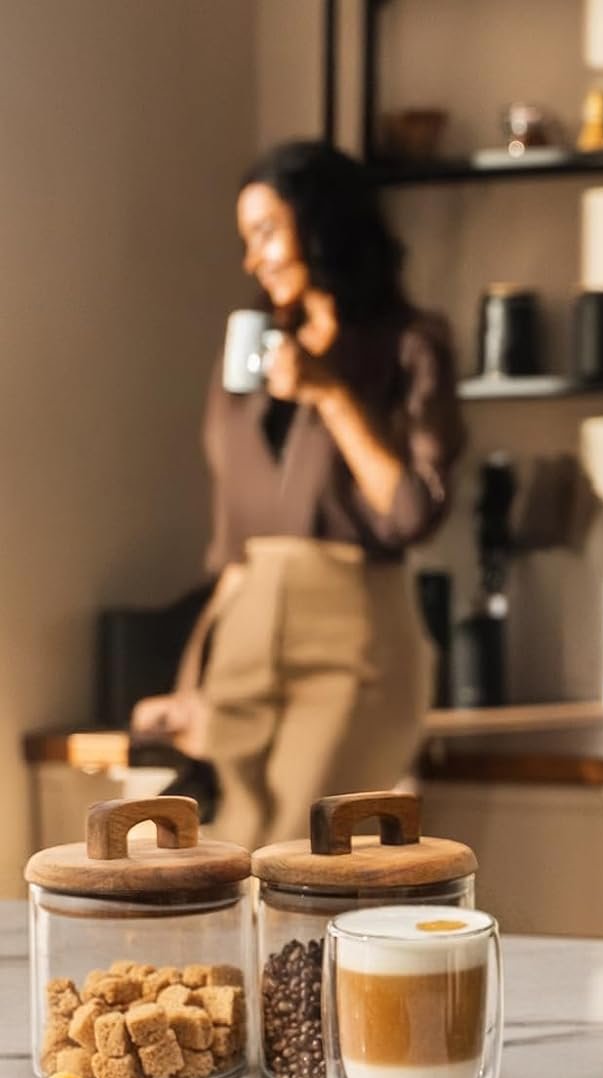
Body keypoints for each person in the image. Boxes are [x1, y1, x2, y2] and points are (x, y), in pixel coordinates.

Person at [133, 140, 463, 849]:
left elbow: (412, 511)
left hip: (353, 643)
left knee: (294, 851)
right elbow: (232, 547)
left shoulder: (410, 346)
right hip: (244, 635)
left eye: (266, 233)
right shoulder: (246, 353)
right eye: (246, 239)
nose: (253, 259)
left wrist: (330, 394)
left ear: (323, 227)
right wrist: (192, 684)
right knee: (226, 852)